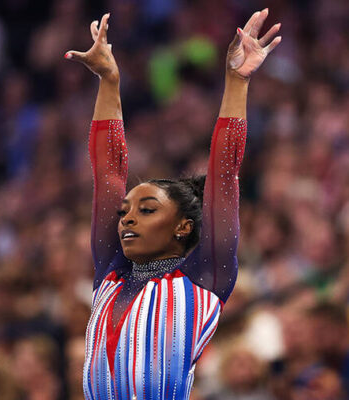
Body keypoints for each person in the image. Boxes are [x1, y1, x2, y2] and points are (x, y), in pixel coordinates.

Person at [65, 9, 281, 400]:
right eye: (126, 210)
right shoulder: (110, 275)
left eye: (147, 210)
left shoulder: (203, 278)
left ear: (183, 226)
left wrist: (236, 81)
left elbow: (224, 173)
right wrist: (109, 81)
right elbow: (108, 173)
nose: (128, 217)